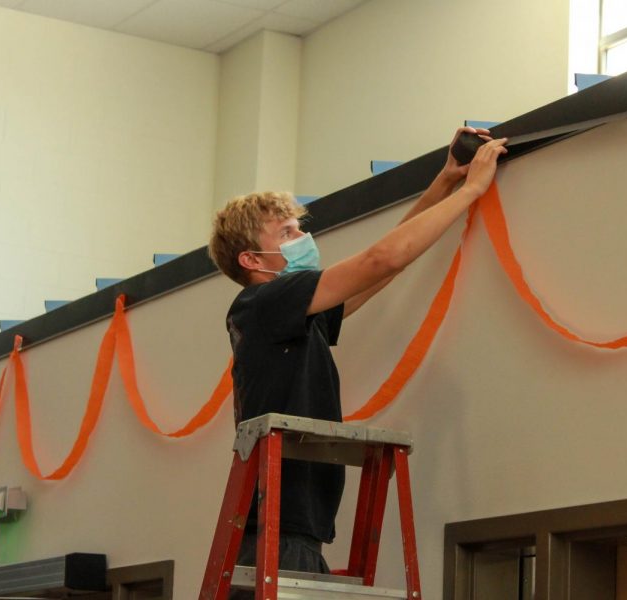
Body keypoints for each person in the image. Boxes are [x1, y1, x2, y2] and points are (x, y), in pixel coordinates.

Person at [207, 128, 507, 597]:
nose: (303, 238)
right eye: (287, 233)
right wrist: (472, 190)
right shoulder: (265, 302)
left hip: (294, 527)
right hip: (279, 532)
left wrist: (445, 182)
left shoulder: (294, 320)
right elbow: (381, 259)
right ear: (252, 259)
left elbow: (386, 265)